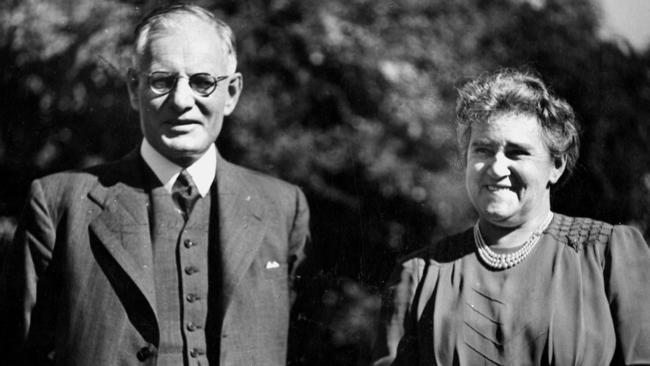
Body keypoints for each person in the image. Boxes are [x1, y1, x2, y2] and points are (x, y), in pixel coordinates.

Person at [0, 4, 310, 366]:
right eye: (162, 81)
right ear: (134, 88)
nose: (182, 101)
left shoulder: (284, 208)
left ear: (232, 93)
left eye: (202, 82)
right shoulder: (58, 204)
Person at [371, 69, 650, 365]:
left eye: (517, 153)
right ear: (466, 159)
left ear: (556, 165)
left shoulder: (606, 255)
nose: (496, 168)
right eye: (483, 150)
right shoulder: (419, 276)